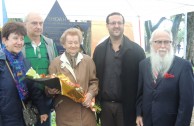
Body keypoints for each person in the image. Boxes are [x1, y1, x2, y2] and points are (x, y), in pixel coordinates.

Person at [93, 12, 145, 126]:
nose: (116, 25)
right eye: (113, 23)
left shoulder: (137, 51)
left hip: (127, 108)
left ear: (123, 25)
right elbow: (94, 77)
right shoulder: (99, 50)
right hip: (105, 107)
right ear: (107, 26)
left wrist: (140, 111)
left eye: (119, 23)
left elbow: (143, 84)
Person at [136, 28, 194, 126]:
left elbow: (186, 103)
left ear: (172, 44)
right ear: (151, 44)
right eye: (158, 42)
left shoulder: (184, 66)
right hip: (147, 121)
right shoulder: (143, 64)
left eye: (167, 42)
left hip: (170, 122)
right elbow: (140, 94)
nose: (163, 46)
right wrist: (139, 114)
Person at [47, 28, 98, 126]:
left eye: (76, 42)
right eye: (70, 43)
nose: (73, 45)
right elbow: (48, 86)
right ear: (64, 44)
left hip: (85, 112)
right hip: (65, 112)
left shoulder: (88, 61)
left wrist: (90, 94)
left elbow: (94, 82)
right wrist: (50, 90)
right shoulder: (55, 63)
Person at [0, 22, 48, 126]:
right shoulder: (1, 63)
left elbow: (33, 87)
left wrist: (42, 109)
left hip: (24, 115)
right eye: (15, 38)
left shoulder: (25, 62)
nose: (19, 42)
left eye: (22, 39)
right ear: (5, 40)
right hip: (6, 118)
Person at [22, 12, 58, 126]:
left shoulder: (49, 43)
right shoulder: (19, 43)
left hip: (45, 95)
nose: (38, 26)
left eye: (41, 23)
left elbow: (55, 68)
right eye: (34, 23)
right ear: (25, 25)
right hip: (25, 96)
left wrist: (53, 87)